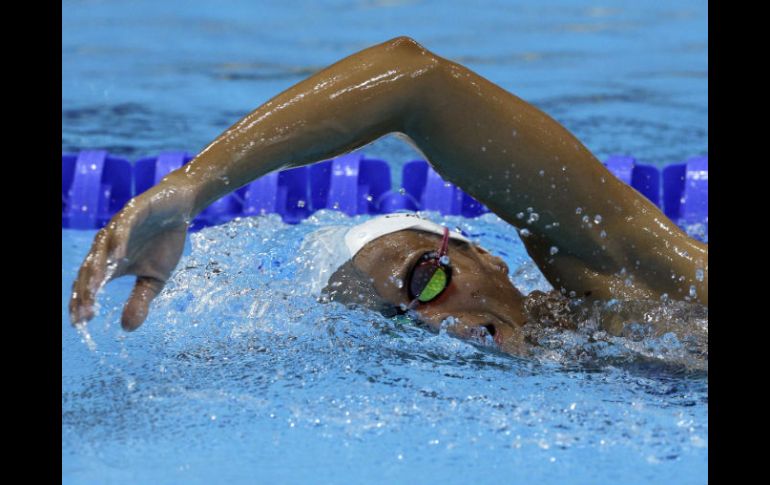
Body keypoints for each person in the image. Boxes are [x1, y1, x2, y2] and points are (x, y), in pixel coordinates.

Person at [69, 37, 708, 355]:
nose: (431, 320)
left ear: (486, 255)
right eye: (397, 323)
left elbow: (416, 83)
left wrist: (192, 185)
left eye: (426, 280)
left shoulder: (630, 290)